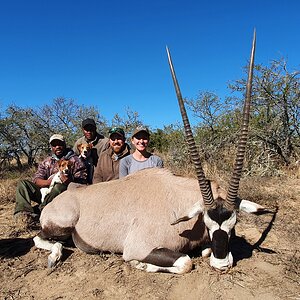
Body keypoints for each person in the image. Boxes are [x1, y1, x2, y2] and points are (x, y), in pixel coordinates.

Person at [14, 134, 88, 228]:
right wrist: (50, 182)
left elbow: (81, 184)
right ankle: (23, 214)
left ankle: (42, 211)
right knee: (23, 184)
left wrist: (68, 182)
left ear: (64, 144)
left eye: (60, 144)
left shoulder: (76, 161)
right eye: (54, 145)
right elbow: (36, 179)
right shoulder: (47, 161)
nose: (57, 147)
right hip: (45, 192)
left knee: (59, 187)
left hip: (63, 195)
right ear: (51, 147)